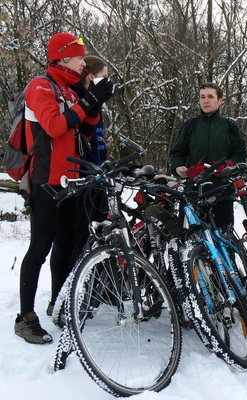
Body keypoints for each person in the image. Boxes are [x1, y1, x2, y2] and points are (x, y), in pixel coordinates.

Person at [14, 32, 114, 344]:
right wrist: (87, 101)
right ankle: (25, 317)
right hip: (46, 180)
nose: (85, 61)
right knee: (41, 246)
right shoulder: (41, 86)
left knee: (68, 245)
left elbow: (86, 126)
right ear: (63, 57)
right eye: (80, 56)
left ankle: (59, 301)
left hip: (74, 179)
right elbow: (55, 126)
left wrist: (93, 103)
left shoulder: (70, 90)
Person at [169, 82, 247, 230]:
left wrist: (229, 166)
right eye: (202, 97)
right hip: (193, 194)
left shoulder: (230, 127)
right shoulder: (190, 126)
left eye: (210, 97)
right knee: (192, 243)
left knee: (225, 243)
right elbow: (176, 153)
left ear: (220, 101)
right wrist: (177, 168)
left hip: (223, 194)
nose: (206, 100)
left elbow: (240, 155)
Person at [69, 55, 110, 265]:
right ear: (92, 76)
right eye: (104, 77)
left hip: (97, 172)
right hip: (82, 175)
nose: (107, 82)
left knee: (101, 223)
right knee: (77, 237)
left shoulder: (95, 100)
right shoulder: (80, 99)